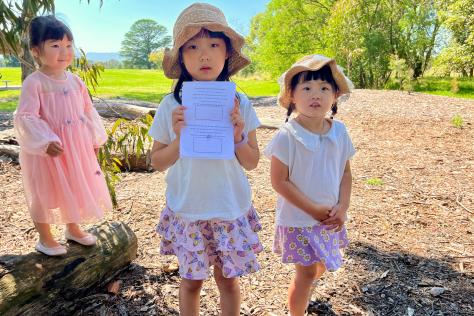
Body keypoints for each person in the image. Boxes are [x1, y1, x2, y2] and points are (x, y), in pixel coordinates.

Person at [148, 3, 262, 315]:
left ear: (227, 52)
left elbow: (252, 161)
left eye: (214, 45)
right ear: (181, 57)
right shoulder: (171, 105)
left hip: (229, 207)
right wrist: (179, 138)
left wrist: (238, 133)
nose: (204, 55)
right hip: (189, 209)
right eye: (193, 47)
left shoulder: (240, 102)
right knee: (190, 283)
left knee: (228, 281)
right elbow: (157, 161)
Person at [264, 54, 355, 316]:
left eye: (324, 88)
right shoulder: (287, 135)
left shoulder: (339, 132)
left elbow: (346, 173)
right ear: (292, 95)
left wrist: (343, 206)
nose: (316, 95)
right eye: (307, 88)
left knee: (320, 266)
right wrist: (313, 209)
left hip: (329, 218)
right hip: (299, 219)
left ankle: (304, 296)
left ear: (335, 95)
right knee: (304, 274)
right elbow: (279, 181)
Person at [13, 15, 112, 256]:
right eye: (55, 45)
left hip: (76, 147)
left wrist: (93, 138)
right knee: (44, 191)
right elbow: (26, 116)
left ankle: (73, 228)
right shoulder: (35, 83)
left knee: (75, 185)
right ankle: (45, 238)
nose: (64, 51)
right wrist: (45, 140)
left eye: (68, 45)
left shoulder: (76, 81)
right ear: (36, 51)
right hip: (49, 151)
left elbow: (87, 111)